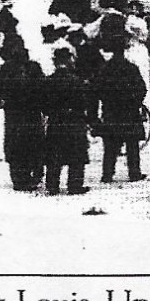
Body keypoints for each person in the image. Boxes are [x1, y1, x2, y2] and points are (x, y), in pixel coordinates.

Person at [0, 40, 46, 191]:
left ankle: (19, 179)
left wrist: (5, 97)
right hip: (31, 112)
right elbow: (42, 86)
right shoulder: (33, 67)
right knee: (32, 143)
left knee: (16, 146)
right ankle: (32, 175)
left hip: (14, 113)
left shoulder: (7, 68)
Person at [93, 37, 148, 183]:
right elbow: (142, 89)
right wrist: (136, 102)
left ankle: (107, 174)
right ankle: (134, 173)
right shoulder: (131, 68)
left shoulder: (105, 69)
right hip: (129, 111)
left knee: (110, 146)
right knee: (132, 145)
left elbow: (97, 90)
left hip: (111, 111)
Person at [42, 47, 93, 194]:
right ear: (68, 60)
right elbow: (84, 103)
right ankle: (75, 185)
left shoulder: (48, 81)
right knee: (76, 155)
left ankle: (52, 185)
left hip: (56, 122)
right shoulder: (76, 81)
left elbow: (43, 104)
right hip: (74, 122)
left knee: (54, 155)